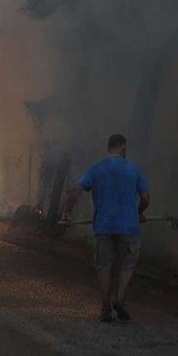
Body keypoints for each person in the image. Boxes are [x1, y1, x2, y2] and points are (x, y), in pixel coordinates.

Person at [61, 133, 150, 323]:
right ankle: (119, 298)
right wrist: (139, 213)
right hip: (128, 228)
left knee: (104, 267)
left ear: (109, 148)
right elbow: (145, 198)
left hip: (103, 226)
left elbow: (77, 190)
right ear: (123, 149)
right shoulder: (134, 169)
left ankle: (106, 309)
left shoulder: (97, 169)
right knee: (127, 265)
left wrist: (67, 214)